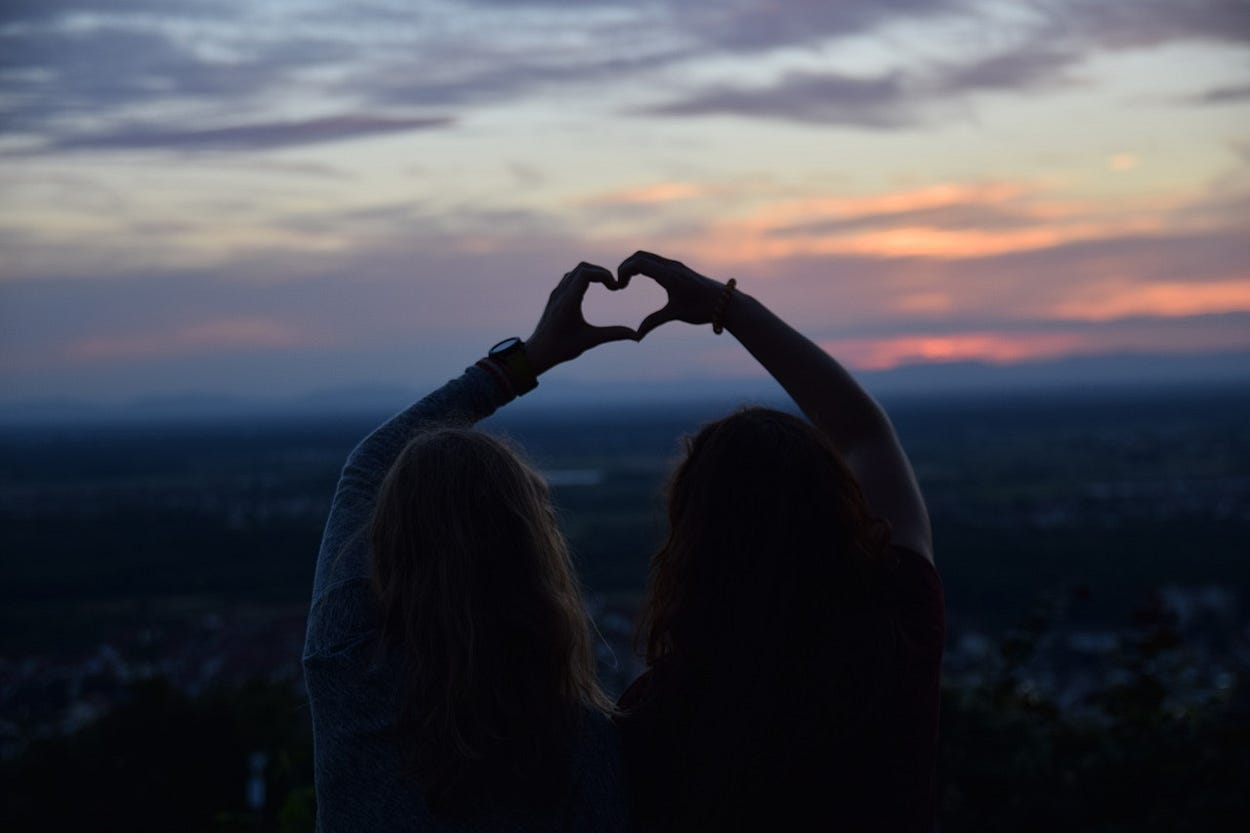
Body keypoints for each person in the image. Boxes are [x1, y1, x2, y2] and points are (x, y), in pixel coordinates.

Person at [613, 251, 945, 832]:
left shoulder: (657, 712)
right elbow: (862, 430)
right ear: (838, 503)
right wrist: (727, 306)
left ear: (693, 542)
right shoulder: (899, 624)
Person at [302, 263, 636, 831]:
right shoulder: (582, 744)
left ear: (390, 543)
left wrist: (530, 357)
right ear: (533, 557)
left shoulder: (345, 667)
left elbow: (367, 467)